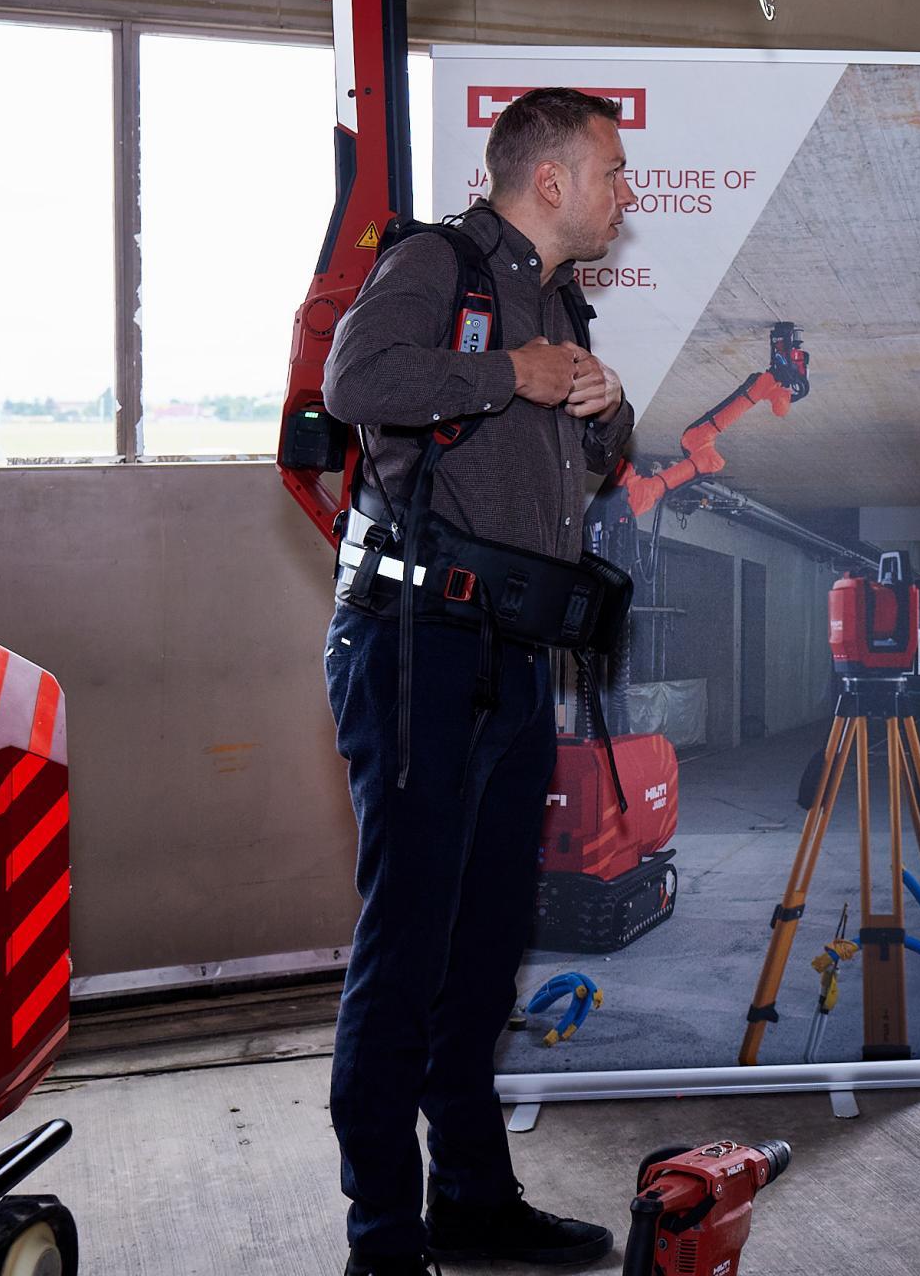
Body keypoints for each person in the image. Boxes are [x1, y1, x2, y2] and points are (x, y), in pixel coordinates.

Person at [320, 87, 639, 1276]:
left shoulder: (562, 304)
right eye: (612, 169)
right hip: (415, 647)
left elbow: (584, 460)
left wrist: (606, 413)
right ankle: (384, 1241)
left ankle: (471, 1198)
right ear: (547, 179)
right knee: (408, 943)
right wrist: (514, 372)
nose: (625, 192)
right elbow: (356, 386)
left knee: (488, 935)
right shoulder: (433, 264)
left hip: (513, 653)